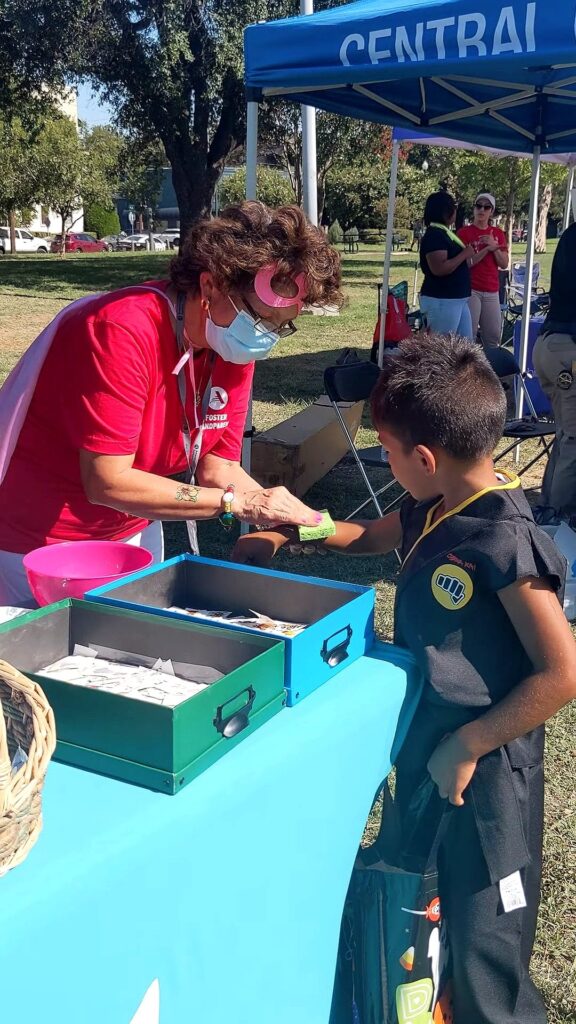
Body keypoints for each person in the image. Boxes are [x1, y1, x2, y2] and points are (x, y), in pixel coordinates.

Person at [233, 335, 576, 1024]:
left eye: (386, 452)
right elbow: (372, 537)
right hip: (427, 745)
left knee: (486, 940)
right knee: (420, 899)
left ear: (424, 457)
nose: (384, 463)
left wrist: (470, 744)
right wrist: (302, 526)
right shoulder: (434, 500)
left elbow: (562, 671)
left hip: (486, 774)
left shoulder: (505, 540)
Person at [0, 201, 342, 606]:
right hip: (44, 544)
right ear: (211, 286)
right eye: (260, 318)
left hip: (133, 533)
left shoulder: (228, 343)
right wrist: (237, 503)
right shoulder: (121, 329)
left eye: (279, 326)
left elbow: (219, 464)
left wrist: (286, 514)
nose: (265, 335)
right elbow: (107, 481)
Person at [532, 222, 576, 521]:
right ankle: (558, 519)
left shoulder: (571, 234)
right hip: (566, 349)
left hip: (551, 344)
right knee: (573, 441)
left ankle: (549, 509)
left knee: (565, 437)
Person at [418, 191, 475, 339]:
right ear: (446, 211)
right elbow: (439, 268)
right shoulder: (435, 235)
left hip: (458, 298)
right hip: (442, 300)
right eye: (453, 207)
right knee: (440, 349)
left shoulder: (445, 233)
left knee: (465, 349)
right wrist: (464, 254)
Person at [458, 192, 509, 348]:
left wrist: (495, 248)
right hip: (471, 289)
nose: (482, 210)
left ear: (491, 211)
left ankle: (492, 370)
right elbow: (464, 263)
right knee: (468, 338)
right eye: (478, 206)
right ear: (473, 208)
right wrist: (486, 249)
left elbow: (504, 264)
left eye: (486, 207)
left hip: (492, 290)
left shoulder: (498, 234)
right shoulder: (464, 233)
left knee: (493, 337)